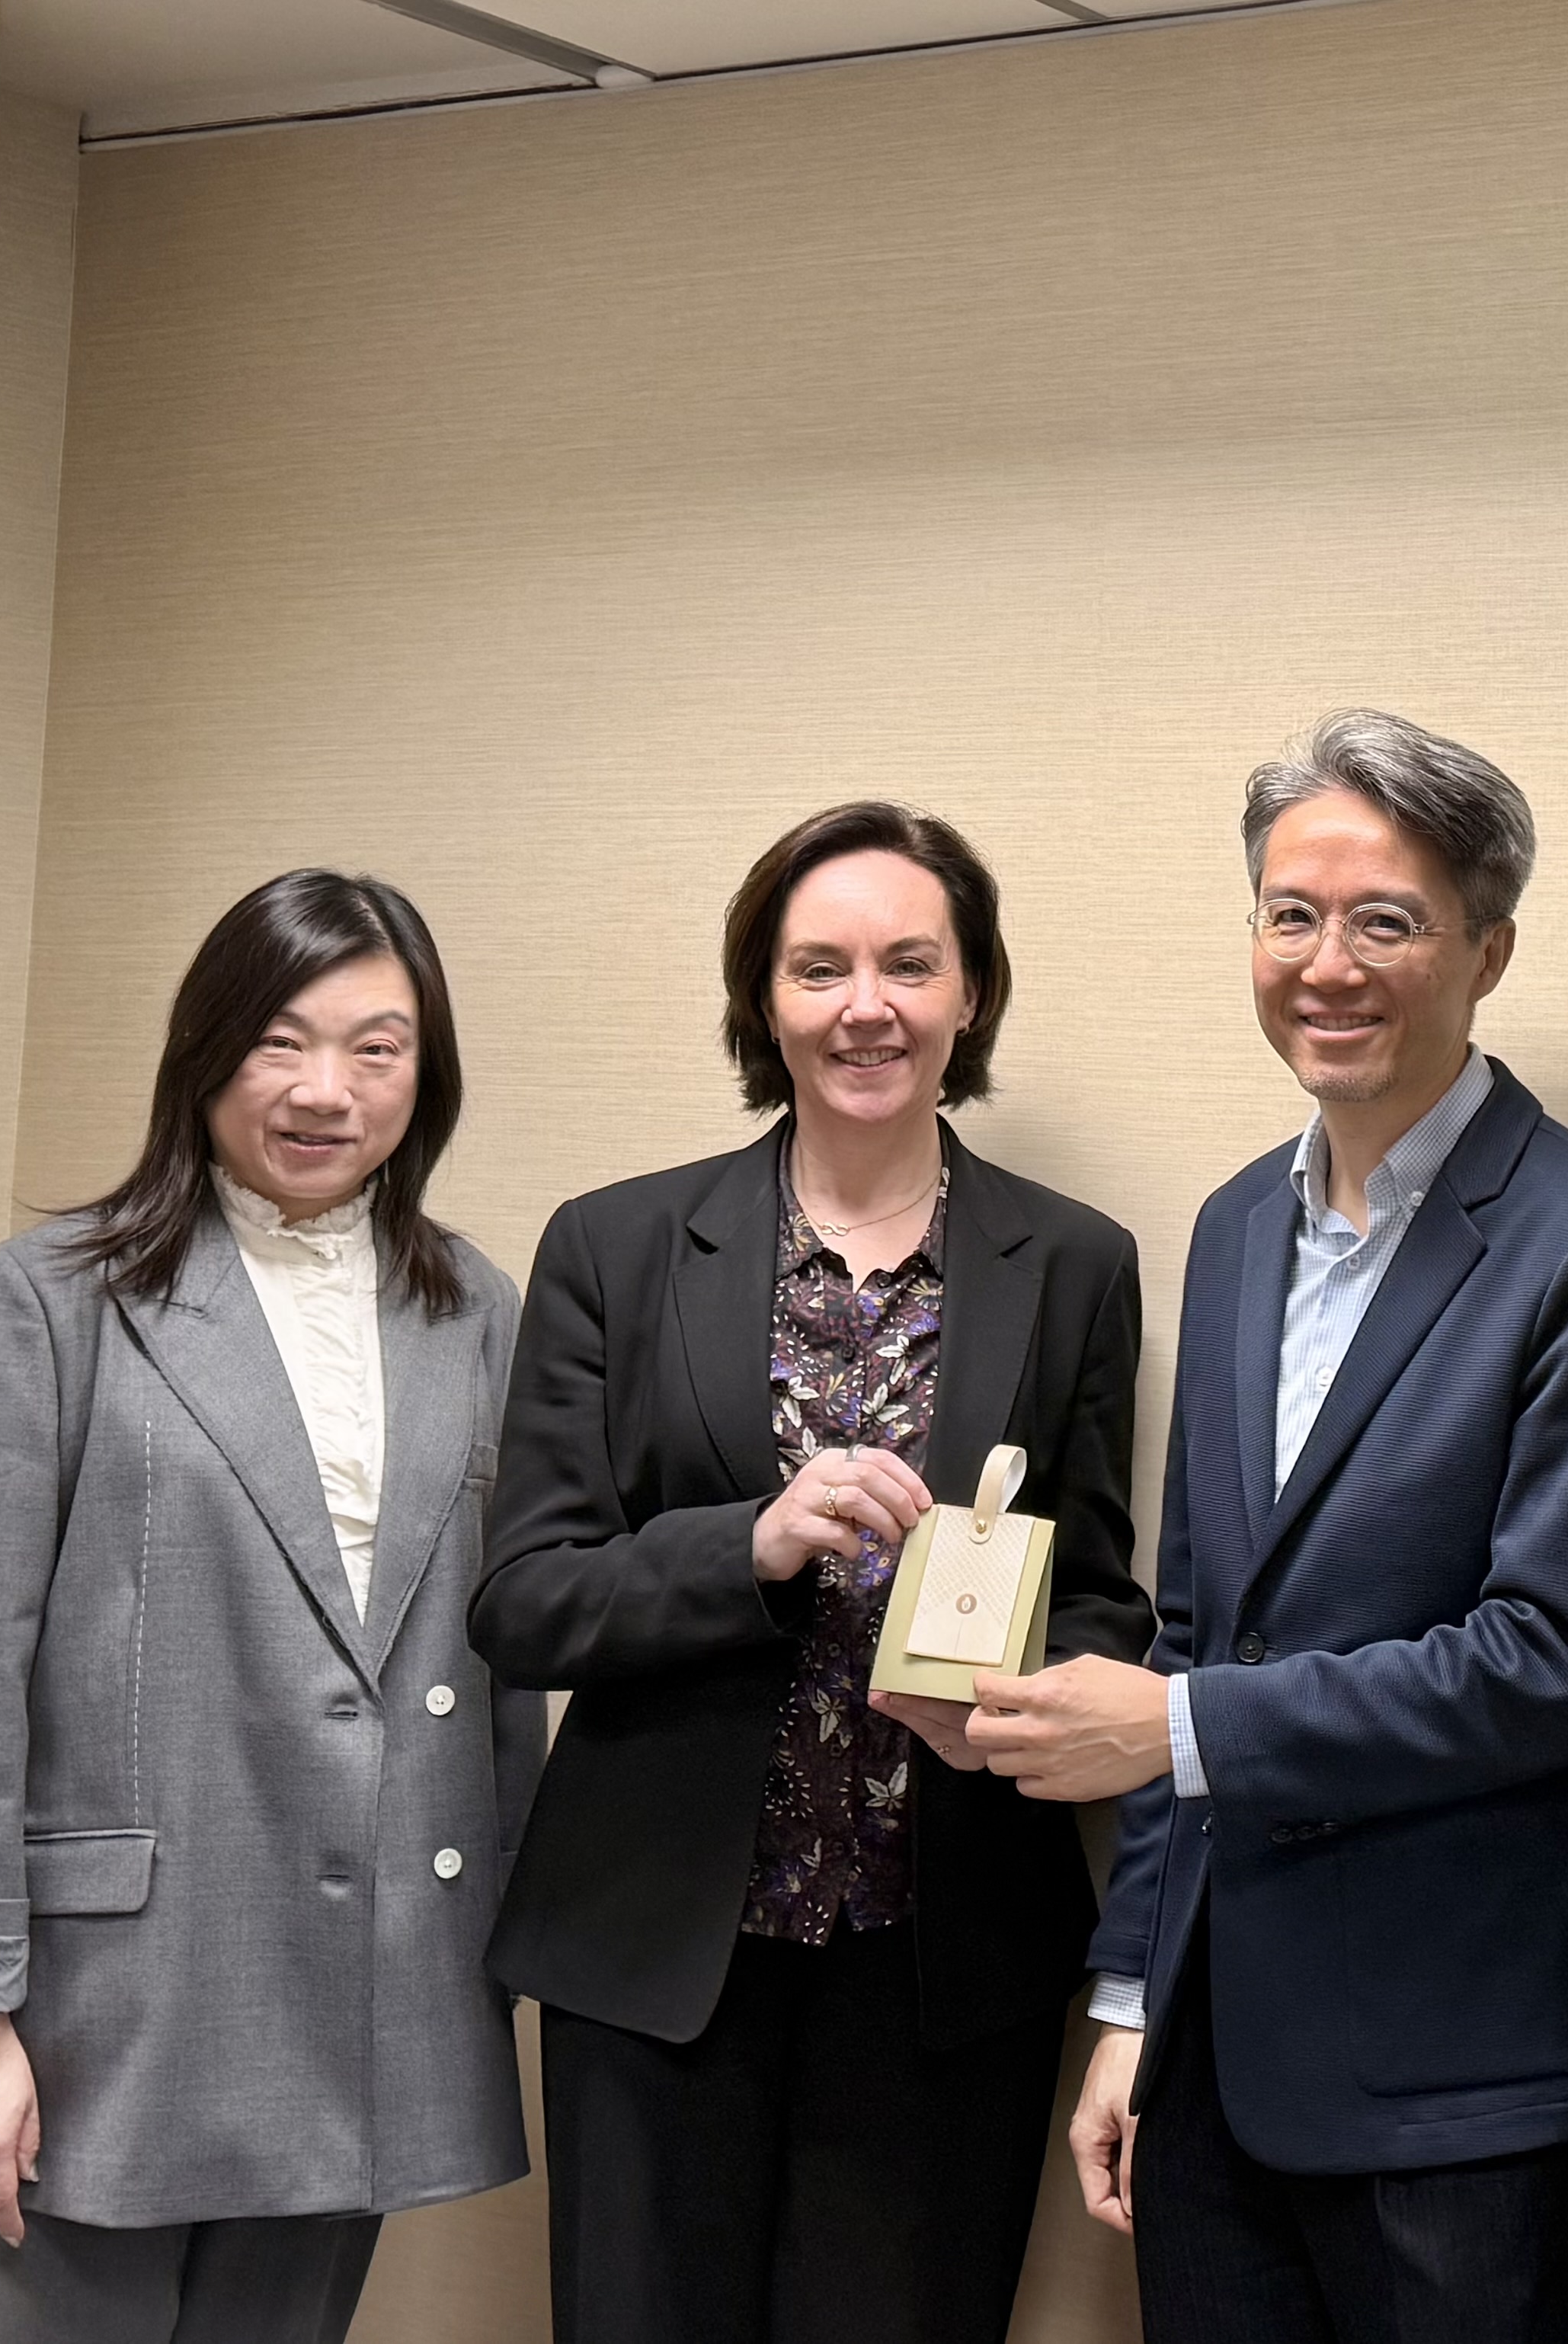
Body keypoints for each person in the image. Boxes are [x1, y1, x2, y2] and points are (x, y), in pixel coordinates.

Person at [962, 710, 1568, 2344]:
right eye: (1291, 915)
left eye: (1385, 920)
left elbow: (1549, 1660)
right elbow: (1197, 1626)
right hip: (1214, 2059)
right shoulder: (1231, 1228)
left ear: (1485, 948)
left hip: (1463, 2086)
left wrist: (1179, 1725)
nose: (1327, 963)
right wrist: (1137, 1997)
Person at [0, 871, 536, 2343]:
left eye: (377, 1048)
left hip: (368, 1985)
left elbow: (494, 1646)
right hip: (105, 2005)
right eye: (280, 1039)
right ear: (203, 1052)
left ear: (426, 1073)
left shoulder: (475, 1309)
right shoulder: (45, 1298)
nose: (328, 1089)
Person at [470, 801, 1154, 2344]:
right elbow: (522, 1601)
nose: (868, 1004)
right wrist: (753, 1544)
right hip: (656, 1957)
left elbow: (1107, 1588)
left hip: (941, 1959)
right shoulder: (618, 1244)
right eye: (819, 966)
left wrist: (1009, 1699)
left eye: (911, 962)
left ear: (968, 989)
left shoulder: (1076, 1260)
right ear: (761, 999)